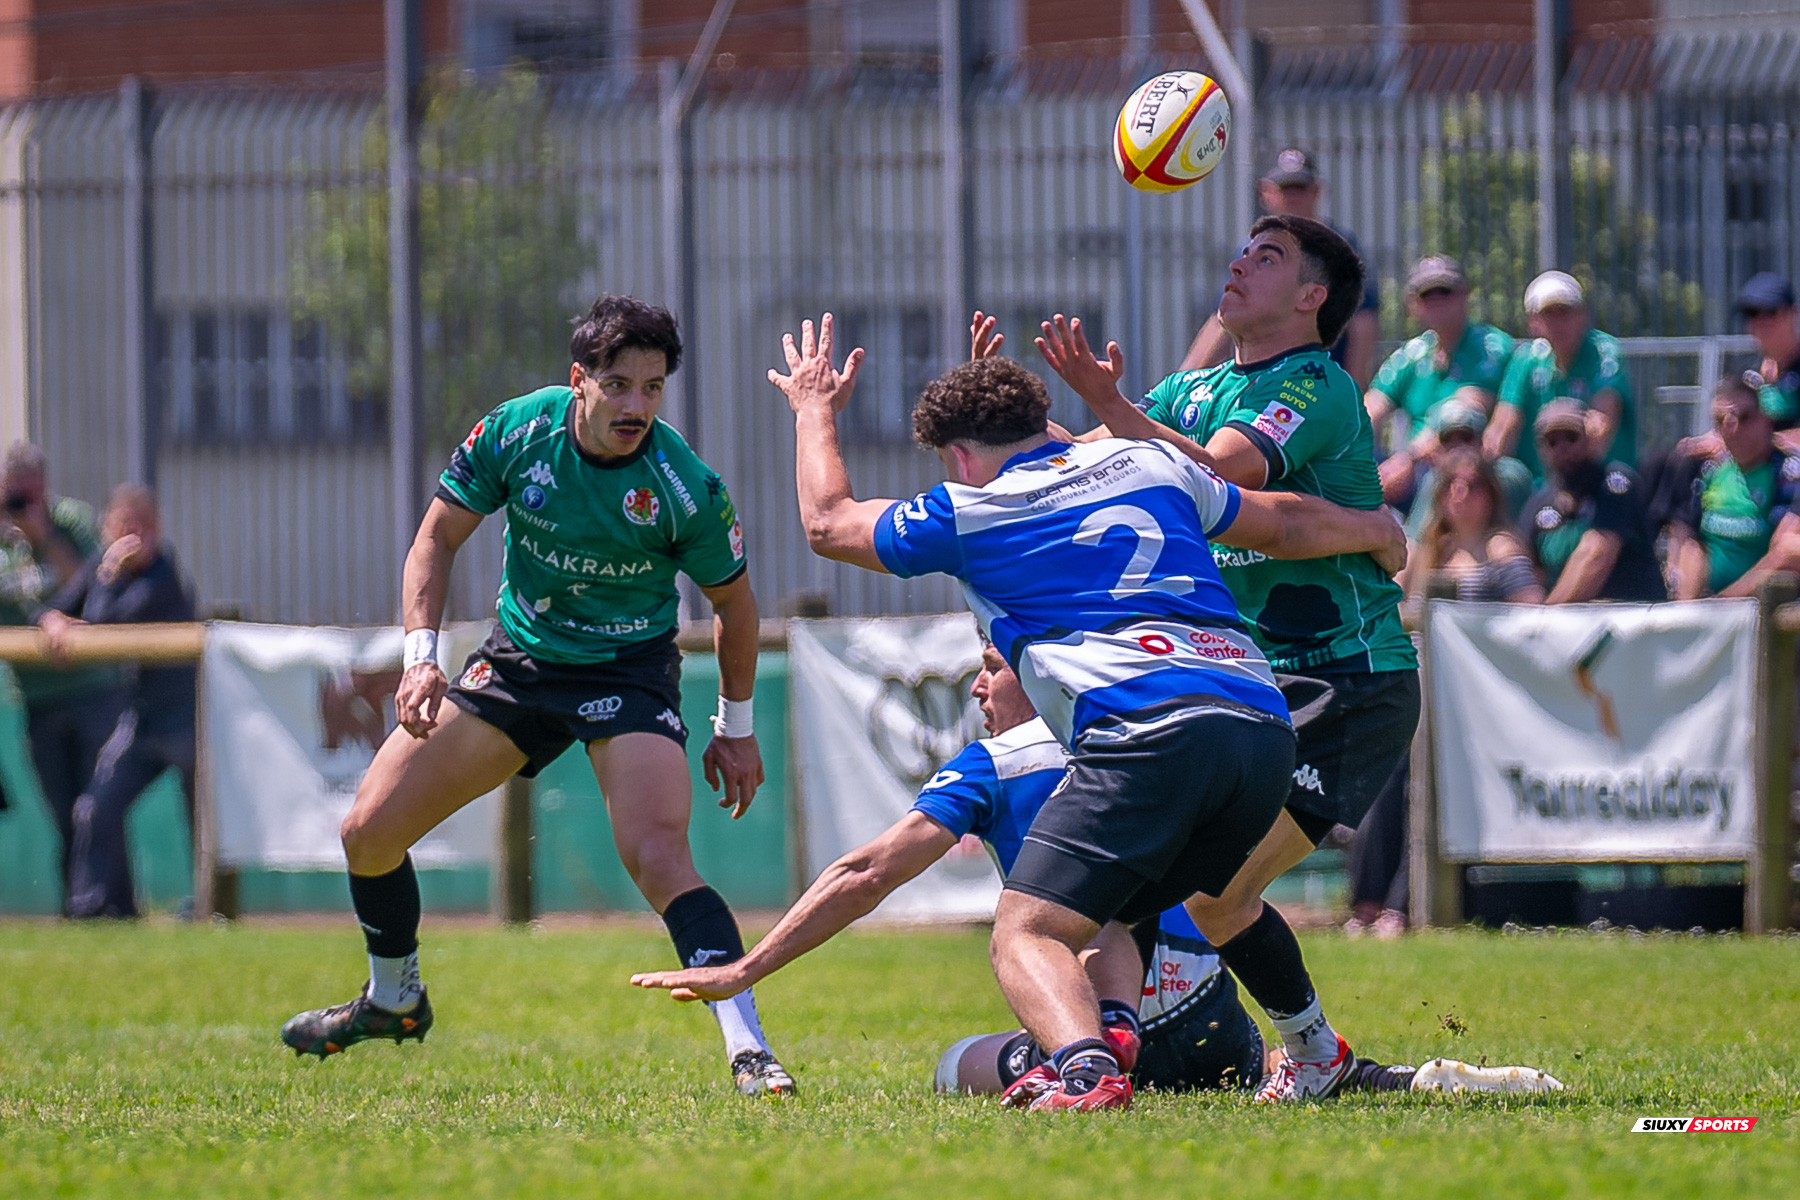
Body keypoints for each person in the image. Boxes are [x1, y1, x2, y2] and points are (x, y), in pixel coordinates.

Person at [773, 313, 1406, 1111]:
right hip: (1260, 727)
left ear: (960, 458)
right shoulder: (1147, 462)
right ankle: (1310, 1051)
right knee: (1180, 903)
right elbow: (1277, 520)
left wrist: (813, 408)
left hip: (1148, 732)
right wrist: (1376, 527)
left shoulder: (969, 510)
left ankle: (1086, 1070)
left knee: (1027, 930)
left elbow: (828, 521)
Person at [632, 639, 1560, 1101]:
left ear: (1040, 672)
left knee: (958, 1057)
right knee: (1171, 916)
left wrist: (751, 966)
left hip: (1103, 1018)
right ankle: (1340, 1062)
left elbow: (869, 871)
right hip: (1214, 1023)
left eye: (991, 667)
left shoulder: (997, 764)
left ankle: (1085, 1055)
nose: (978, 686)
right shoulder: (1153, 742)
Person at [279, 296, 796, 1097]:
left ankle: (750, 1050)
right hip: (519, 662)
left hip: (627, 672)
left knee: (659, 857)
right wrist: (420, 659)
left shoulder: (685, 486)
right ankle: (395, 998)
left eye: (653, 388)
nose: (636, 407)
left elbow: (735, 604)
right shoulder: (518, 432)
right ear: (578, 379)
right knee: (367, 833)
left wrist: (736, 725)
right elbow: (436, 537)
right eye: (618, 385)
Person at [1031, 214, 1419, 1102]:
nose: (1240, 263)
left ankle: (1277, 1056)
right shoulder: (1193, 386)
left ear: (1313, 296)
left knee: (1205, 889)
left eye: (1268, 256)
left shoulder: (1316, 383)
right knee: (1199, 893)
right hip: (1253, 680)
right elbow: (1089, 459)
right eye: (1244, 250)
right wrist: (1010, 411)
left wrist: (1114, 408)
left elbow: (1220, 473)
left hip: (1348, 676)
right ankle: (1301, 1057)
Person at [35, 485, 197, 918]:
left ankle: (210, 906)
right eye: (124, 527)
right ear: (107, 528)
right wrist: (52, 620)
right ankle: (96, 907)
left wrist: (108, 573)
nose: (133, 539)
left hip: (188, 720)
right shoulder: (102, 567)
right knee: (94, 808)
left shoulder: (162, 575)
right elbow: (53, 609)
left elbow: (103, 621)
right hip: (142, 721)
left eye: (143, 528)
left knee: (204, 820)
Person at [0, 441, 125, 913]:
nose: (22, 503)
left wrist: (43, 535)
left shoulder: (69, 520)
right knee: (61, 811)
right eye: (13, 494)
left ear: (45, 486)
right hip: (37, 696)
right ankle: (78, 910)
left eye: (29, 493)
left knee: (99, 807)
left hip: (92, 688)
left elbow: (93, 584)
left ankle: (115, 908)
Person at [1179, 150, 1381, 389]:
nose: (1293, 197)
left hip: (1318, 385)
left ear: (1317, 191)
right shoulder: (1250, 249)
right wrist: (1184, 384)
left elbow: (1362, 323)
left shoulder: (1339, 249)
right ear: (1266, 193)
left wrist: (1353, 390)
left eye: (1300, 188)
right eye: (1285, 189)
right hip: (1259, 384)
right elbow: (1221, 320)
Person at [1364, 256, 1514, 506]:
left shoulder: (1490, 349)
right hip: (1413, 469)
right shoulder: (1412, 354)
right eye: (1427, 294)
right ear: (1413, 303)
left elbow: (1466, 410)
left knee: (1432, 477)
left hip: (1469, 471)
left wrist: (1407, 460)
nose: (1437, 301)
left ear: (1464, 295)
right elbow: (1371, 409)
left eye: (1445, 291)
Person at [1487, 271, 1636, 479]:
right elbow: (1503, 427)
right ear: (1533, 322)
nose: (1558, 323)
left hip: (1602, 480)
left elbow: (1600, 427)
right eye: (1549, 314)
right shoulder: (1526, 359)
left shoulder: (1602, 352)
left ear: (1583, 315)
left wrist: (1566, 487)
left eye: (1565, 312)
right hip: (1540, 485)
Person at [1667, 376, 1800, 600]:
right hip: (1704, 603)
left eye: (1743, 417)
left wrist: (1726, 602)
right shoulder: (1711, 470)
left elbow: (1783, 553)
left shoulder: (1787, 472)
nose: (1732, 428)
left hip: (1762, 604)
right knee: (1692, 550)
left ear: (1765, 419)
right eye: (1720, 420)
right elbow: (1686, 538)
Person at [1519, 401, 1665, 604]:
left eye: (1572, 438)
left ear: (1589, 439)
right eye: (1552, 442)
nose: (1563, 448)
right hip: (1565, 619)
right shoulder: (1538, 504)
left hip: (1629, 616)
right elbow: (1529, 572)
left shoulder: (1616, 484)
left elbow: (1596, 557)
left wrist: (1547, 615)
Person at [1400, 451, 1544, 605]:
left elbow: (1530, 606)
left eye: (1473, 485)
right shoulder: (1433, 549)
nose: (1459, 492)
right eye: (1450, 483)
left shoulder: (1501, 548)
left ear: (1490, 495)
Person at [1399, 398, 1535, 544]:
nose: (1458, 446)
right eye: (1448, 439)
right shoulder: (1435, 480)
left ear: (1482, 441)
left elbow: (1523, 538)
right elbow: (1417, 541)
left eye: (1466, 437)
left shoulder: (1510, 477)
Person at [1737, 273, 1800, 429]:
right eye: (1752, 313)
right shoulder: (1747, 373)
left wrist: (1770, 440)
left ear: (1792, 314)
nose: (1761, 322)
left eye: (1770, 312)